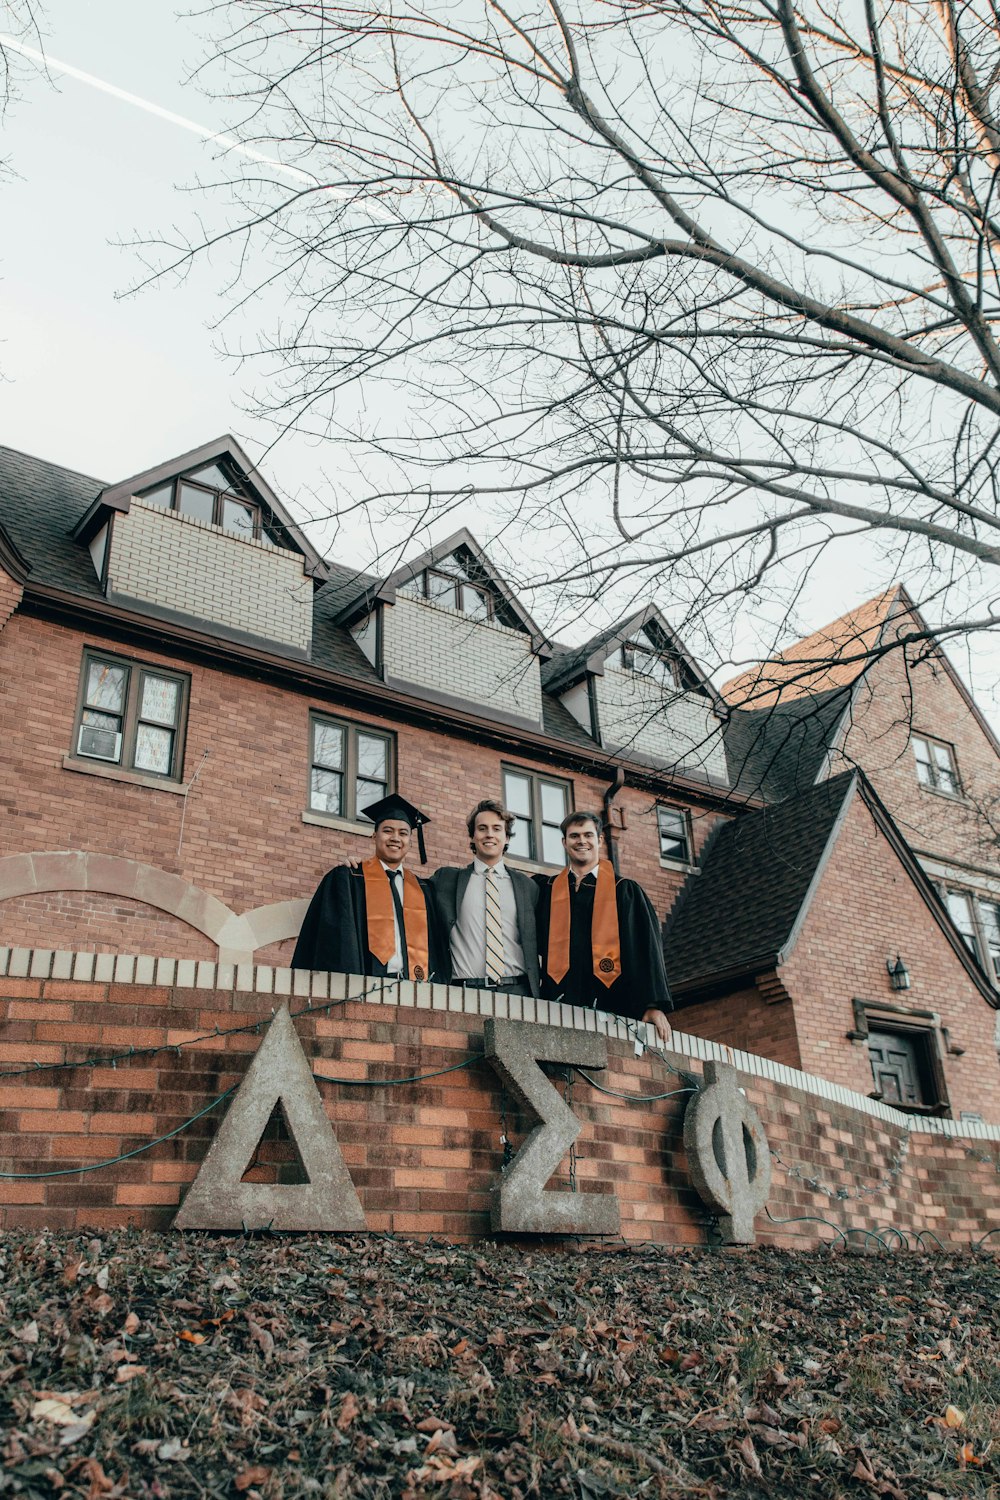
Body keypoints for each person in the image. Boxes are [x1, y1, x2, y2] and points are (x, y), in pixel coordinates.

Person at [536, 811, 672, 1043]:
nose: (581, 841)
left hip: (612, 1002)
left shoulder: (623, 890)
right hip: (559, 1002)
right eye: (574, 836)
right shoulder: (547, 890)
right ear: (564, 842)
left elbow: (644, 948)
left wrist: (652, 1005)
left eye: (588, 835)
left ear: (599, 840)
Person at [291, 794, 447, 980]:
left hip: (415, 988)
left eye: (403, 833)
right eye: (387, 831)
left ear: (411, 842)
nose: (395, 838)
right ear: (374, 835)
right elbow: (335, 944)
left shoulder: (424, 890)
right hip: (366, 985)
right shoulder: (350, 879)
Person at [431, 799, 541, 996]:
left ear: (506, 837)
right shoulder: (446, 881)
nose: (489, 834)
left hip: (517, 991)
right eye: (482, 828)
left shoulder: (528, 887)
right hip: (463, 991)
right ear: (472, 837)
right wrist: (358, 868)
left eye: (497, 829)